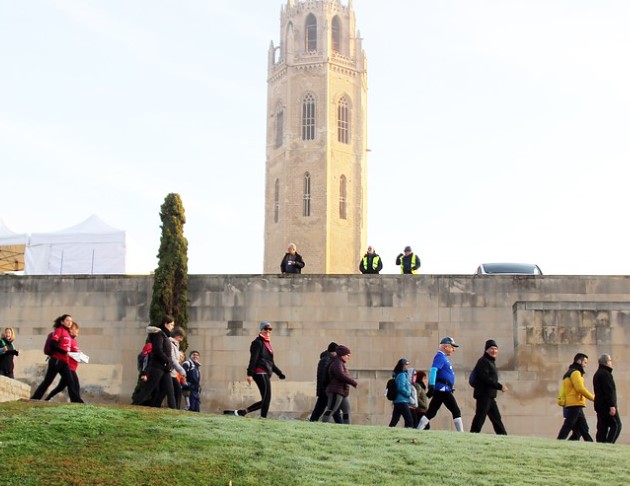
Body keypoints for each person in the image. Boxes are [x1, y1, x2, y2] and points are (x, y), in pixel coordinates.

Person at [224, 321, 285, 418]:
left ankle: (243, 412)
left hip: (265, 373)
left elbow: (271, 363)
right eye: (266, 328)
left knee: (266, 399)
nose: (268, 331)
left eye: (270, 329)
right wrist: (250, 374)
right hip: (260, 372)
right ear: (261, 330)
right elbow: (254, 358)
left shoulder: (267, 343)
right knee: (266, 398)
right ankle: (263, 418)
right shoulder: (257, 343)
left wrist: (280, 373)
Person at [31, 314, 83, 403]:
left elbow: (68, 348)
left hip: (65, 362)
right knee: (48, 381)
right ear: (62, 322)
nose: (70, 322)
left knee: (70, 381)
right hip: (56, 360)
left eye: (71, 321)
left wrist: (77, 354)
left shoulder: (67, 334)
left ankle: (76, 401)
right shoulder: (59, 330)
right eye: (67, 320)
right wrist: (65, 352)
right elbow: (53, 345)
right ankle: (35, 398)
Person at [417, 337, 464, 432]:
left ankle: (418, 430)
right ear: (446, 347)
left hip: (443, 389)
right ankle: (461, 434)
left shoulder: (443, 357)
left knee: (431, 412)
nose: (453, 349)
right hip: (443, 389)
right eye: (452, 347)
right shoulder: (440, 356)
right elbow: (434, 370)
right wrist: (431, 385)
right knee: (456, 411)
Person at [131, 316, 177, 409]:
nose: (172, 327)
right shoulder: (159, 334)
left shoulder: (165, 336)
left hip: (165, 368)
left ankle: (174, 410)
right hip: (157, 367)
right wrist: (167, 360)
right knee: (148, 389)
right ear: (165, 324)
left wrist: (169, 363)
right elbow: (158, 350)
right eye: (171, 324)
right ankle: (134, 405)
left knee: (170, 390)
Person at [470, 339, 508, 434]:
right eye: (491, 348)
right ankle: (473, 435)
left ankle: (503, 436)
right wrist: (500, 386)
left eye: (495, 349)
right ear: (486, 350)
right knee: (480, 417)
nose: (494, 351)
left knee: (496, 418)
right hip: (484, 394)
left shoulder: (490, 362)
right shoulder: (483, 361)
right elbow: (485, 378)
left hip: (490, 396)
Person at [557, 353, 594, 441]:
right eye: (585, 362)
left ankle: (572, 444)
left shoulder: (570, 372)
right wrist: (593, 398)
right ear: (579, 361)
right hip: (575, 403)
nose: (585, 365)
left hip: (574, 404)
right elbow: (580, 388)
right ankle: (559, 442)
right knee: (569, 426)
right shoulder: (576, 373)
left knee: (581, 429)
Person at [45, 321, 83, 402]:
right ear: (71, 330)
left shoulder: (73, 341)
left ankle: (48, 399)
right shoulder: (69, 340)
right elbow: (67, 352)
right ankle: (77, 401)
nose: (78, 332)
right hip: (69, 366)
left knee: (61, 387)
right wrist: (77, 354)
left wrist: (80, 355)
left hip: (72, 367)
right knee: (74, 385)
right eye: (76, 330)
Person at [321, 345, 357, 424]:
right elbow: (341, 375)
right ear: (342, 355)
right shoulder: (337, 363)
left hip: (341, 391)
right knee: (331, 409)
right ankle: (323, 424)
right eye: (347, 355)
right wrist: (353, 382)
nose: (348, 357)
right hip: (336, 391)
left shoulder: (340, 363)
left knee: (346, 410)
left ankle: (347, 427)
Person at [309, 342, 342, 423]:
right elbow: (325, 376)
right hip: (327, 390)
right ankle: (342, 425)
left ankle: (312, 423)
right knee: (335, 411)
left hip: (324, 391)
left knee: (318, 411)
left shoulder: (325, 359)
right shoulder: (328, 360)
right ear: (333, 351)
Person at [593, 353, 622, 443]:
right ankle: (609, 444)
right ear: (606, 362)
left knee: (602, 427)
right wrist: (612, 405)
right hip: (606, 405)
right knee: (616, 425)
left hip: (599, 405)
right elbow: (609, 391)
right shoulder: (605, 374)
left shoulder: (597, 373)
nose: (611, 362)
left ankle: (601, 445)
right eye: (610, 361)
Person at [162, 326, 187, 410]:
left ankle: (175, 409)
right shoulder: (170, 343)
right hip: (168, 371)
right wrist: (182, 371)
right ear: (175, 335)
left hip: (172, 372)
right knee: (173, 391)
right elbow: (173, 360)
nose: (181, 339)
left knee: (171, 391)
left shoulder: (176, 345)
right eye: (180, 337)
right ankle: (174, 409)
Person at [389, 358, 414, 428]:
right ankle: (409, 433)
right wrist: (408, 393)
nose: (407, 366)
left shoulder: (400, 374)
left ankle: (389, 431)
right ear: (402, 365)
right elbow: (400, 387)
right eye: (406, 364)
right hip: (401, 400)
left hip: (398, 400)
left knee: (395, 420)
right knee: (409, 420)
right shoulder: (402, 375)